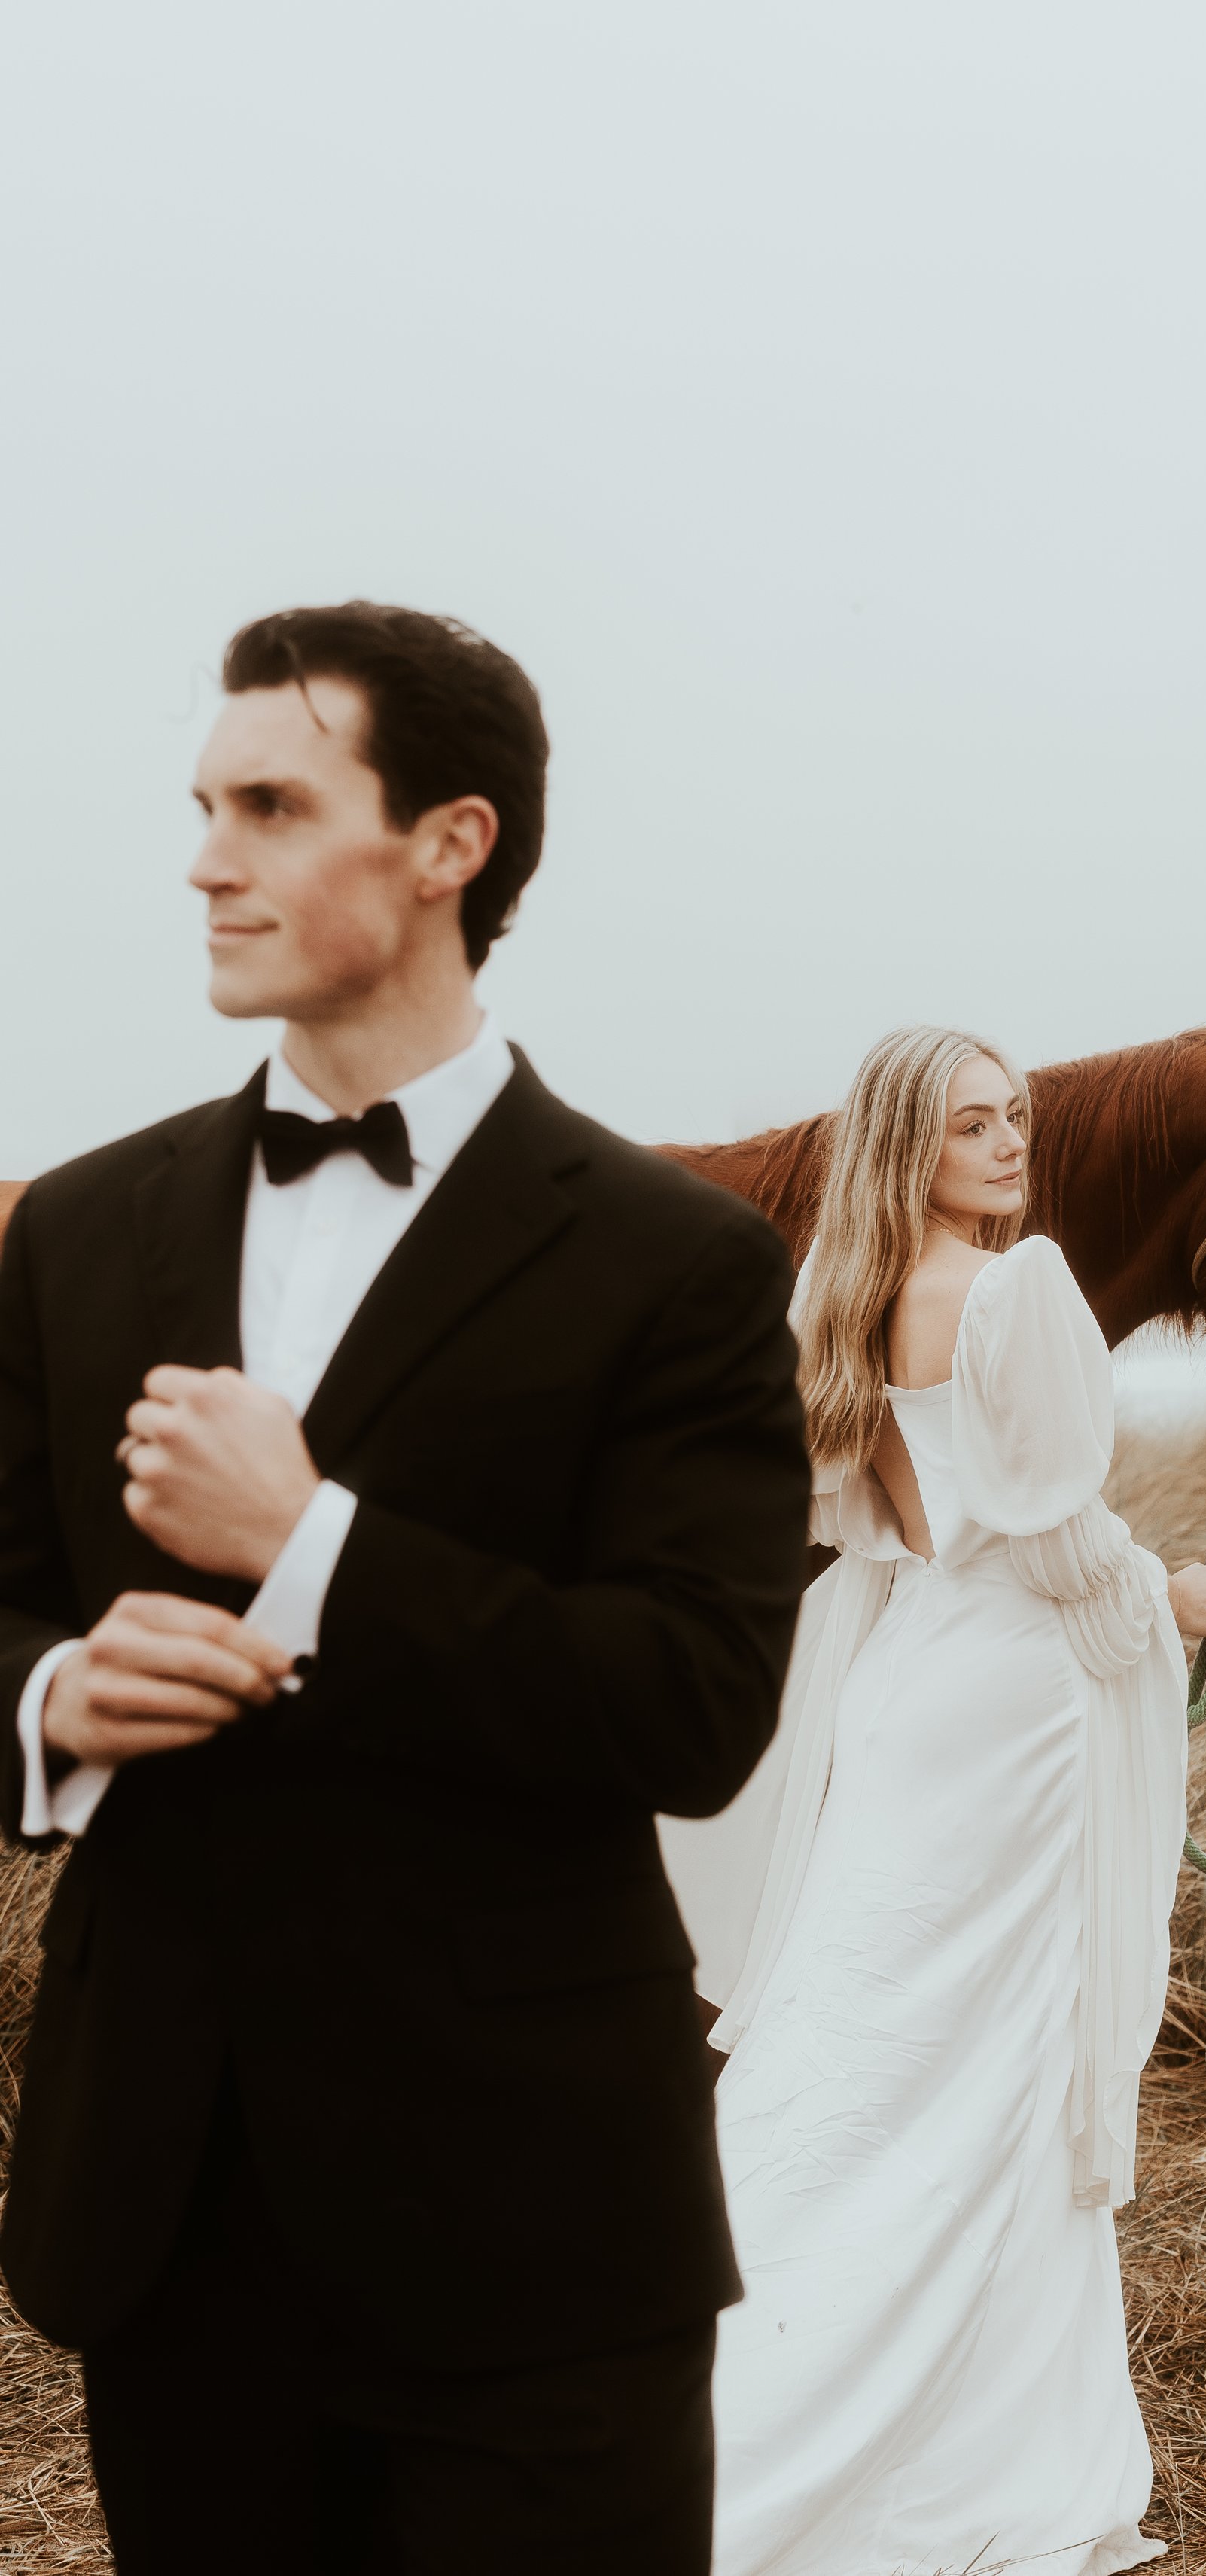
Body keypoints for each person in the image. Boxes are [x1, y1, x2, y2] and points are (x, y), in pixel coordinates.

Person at [0, 603, 810, 2574]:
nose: (208, 857)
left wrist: (315, 1544)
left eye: (273, 803)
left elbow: (696, 1702)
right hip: (170, 2195)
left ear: (450, 841)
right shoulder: (81, 1222)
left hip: (530, 2213)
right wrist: (50, 1700)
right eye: (202, 806)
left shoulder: (675, 1260)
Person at [658, 1025, 1206, 2576]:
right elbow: (1057, 1541)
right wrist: (1167, 1596)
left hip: (905, 1678)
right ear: (909, 1148)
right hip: (1006, 1705)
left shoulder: (844, 1295)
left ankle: (711, 2388)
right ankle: (905, 2450)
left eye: (1014, 1118)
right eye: (971, 1127)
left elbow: (875, 1519)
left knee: (858, 2032)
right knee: (990, 2059)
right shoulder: (1017, 1290)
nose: (1007, 1146)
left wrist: (1116, 1583)